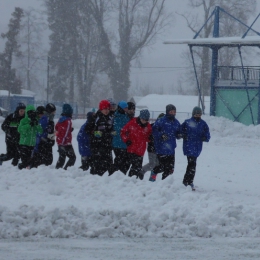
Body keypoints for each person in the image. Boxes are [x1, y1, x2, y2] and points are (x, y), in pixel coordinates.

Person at [181, 106, 210, 191]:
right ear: (193, 114)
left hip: (197, 147)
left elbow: (207, 133)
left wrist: (205, 137)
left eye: (199, 114)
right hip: (189, 146)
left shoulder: (203, 124)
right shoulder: (187, 122)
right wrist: (183, 135)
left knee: (191, 164)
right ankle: (188, 182)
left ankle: (186, 181)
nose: (198, 116)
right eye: (196, 114)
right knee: (192, 164)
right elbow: (180, 131)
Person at [150, 104, 181, 182]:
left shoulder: (176, 122)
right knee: (162, 167)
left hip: (171, 149)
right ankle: (153, 175)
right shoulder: (161, 121)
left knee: (170, 169)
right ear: (167, 112)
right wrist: (161, 135)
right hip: (161, 148)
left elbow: (178, 132)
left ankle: (165, 183)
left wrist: (179, 135)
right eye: (171, 111)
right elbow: (154, 131)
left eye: (174, 112)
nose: (173, 113)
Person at [121, 109, 152, 179]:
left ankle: (132, 181)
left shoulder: (148, 126)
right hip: (131, 149)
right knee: (125, 166)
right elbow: (123, 132)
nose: (144, 121)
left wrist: (150, 138)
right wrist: (126, 140)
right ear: (140, 117)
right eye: (143, 119)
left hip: (140, 150)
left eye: (146, 120)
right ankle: (120, 178)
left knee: (136, 168)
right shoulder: (132, 123)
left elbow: (147, 137)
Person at [85, 100, 113, 176]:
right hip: (97, 145)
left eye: (108, 109)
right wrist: (95, 133)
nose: (106, 111)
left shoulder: (111, 118)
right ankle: (94, 178)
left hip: (107, 144)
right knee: (97, 164)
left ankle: (108, 180)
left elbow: (112, 129)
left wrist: (112, 133)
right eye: (104, 109)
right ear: (101, 109)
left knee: (108, 164)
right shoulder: (96, 117)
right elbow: (87, 129)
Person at [138, 113, 165, 178]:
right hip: (152, 148)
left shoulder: (164, 128)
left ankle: (152, 178)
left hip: (160, 149)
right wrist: (151, 138)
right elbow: (146, 134)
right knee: (152, 164)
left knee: (158, 165)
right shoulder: (152, 126)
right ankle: (141, 171)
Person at [17, 104, 43, 170]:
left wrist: (36, 124)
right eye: (30, 113)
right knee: (25, 161)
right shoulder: (23, 121)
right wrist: (29, 125)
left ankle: (26, 171)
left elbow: (40, 131)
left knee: (30, 161)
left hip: (31, 144)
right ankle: (20, 169)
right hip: (23, 143)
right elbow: (20, 130)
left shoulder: (35, 121)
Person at [109, 100, 130, 176]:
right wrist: (116, 134)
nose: (126, 109)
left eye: (127, 108)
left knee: (125, 161)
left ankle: (121, 174)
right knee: (119, 160)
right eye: (125, 108)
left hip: (125, 143)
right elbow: (112, 130)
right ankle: (112, 173)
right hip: (117, 143)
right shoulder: (115, 117)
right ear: (121, 108)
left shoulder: (126, 117)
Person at [55, 104, 76, 170]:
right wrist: (63, 143)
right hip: (65, 142)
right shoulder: (68, 121)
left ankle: (58, 169)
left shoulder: (61, 119)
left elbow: (57, 128)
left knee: (62, 157)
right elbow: (65, 133)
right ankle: (66, 170)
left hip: (59, 140)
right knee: (73, 157)